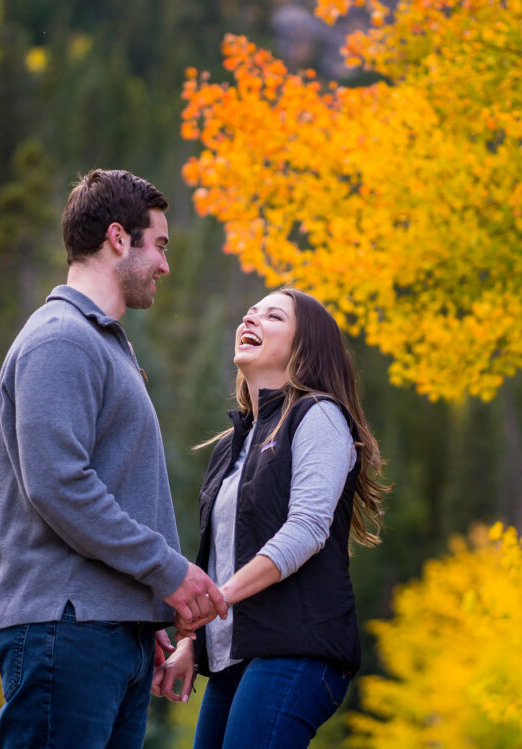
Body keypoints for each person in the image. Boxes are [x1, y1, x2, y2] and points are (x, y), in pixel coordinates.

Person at [0, 168, 227, 749]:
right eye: (160, 245)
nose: (165, 266)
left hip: (105, 631)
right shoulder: (61, 338)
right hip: (65, 630)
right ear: (119, 238)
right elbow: (59, 485)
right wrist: (168, 572)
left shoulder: (99, 343)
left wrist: (138, 608)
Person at [154, 287, 391, 748]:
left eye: (273, 316)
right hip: (233, 659)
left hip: (296, 649)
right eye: (249, 312)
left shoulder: (318, 415)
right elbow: (221, 554)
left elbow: (306, 530)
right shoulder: (230, 445)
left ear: (305, 347)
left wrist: (215, 600)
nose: (251, 319)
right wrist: (191, 643)